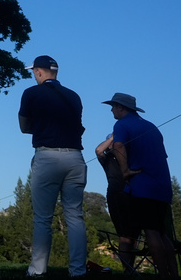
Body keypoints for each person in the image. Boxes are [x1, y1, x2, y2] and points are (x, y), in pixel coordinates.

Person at [18, 55, 87, 277]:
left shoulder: (31, 93)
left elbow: (24, 126)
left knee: (43, 218)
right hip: (75, 157)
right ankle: (78, 270)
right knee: (75, 216)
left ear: (38, 72)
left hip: (47, 156)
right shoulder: (74, 96)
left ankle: (38, 270)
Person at [103, 92, 177, 277]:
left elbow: (118, 146)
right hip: (163, 185)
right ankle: (174, 274)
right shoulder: (152, 127)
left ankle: (163, 275)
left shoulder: (122, 124)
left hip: (143, 186)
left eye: (113, 106)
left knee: (151, 231)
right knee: (162, 233)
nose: (112, 109)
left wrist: (126, 171)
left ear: (121, 107)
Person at [96, 131, 133, 267]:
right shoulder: (107, 158)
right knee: (124, 235)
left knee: (134, 235)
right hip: (116, 195)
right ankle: (127, 269)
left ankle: (131, 268)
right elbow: (99, 150)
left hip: (133, 195)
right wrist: (113, 137)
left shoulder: (127, 156)